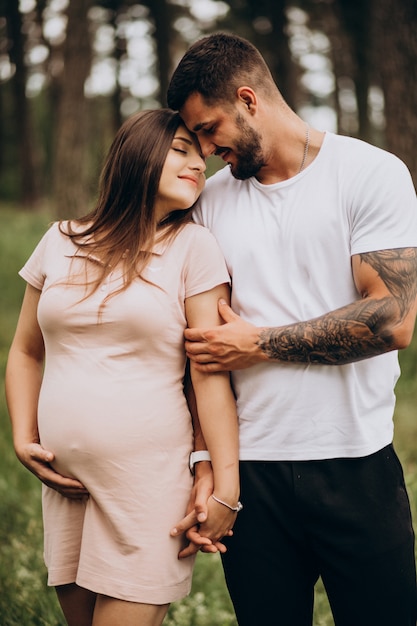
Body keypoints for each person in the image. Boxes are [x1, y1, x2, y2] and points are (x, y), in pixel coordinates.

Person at [166, 33, 417, 626]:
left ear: (248, 99)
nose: (203, 149)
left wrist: (258, 343)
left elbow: (394, 318)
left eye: (209, 128)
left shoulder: (370, 174)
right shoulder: (209, 202)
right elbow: (197, 353)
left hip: (356, 464)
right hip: (251, 474)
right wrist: (206, 463)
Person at [5, 108, 241, 626]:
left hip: (147, 485)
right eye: (180, 150)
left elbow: (208, 371)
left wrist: (225, 484)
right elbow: (26, 351)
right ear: (137, 156)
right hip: (65, 483)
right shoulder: (61, 238)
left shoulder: (193, 248)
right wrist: (23, 439)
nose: (198, 166)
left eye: (200, 158)